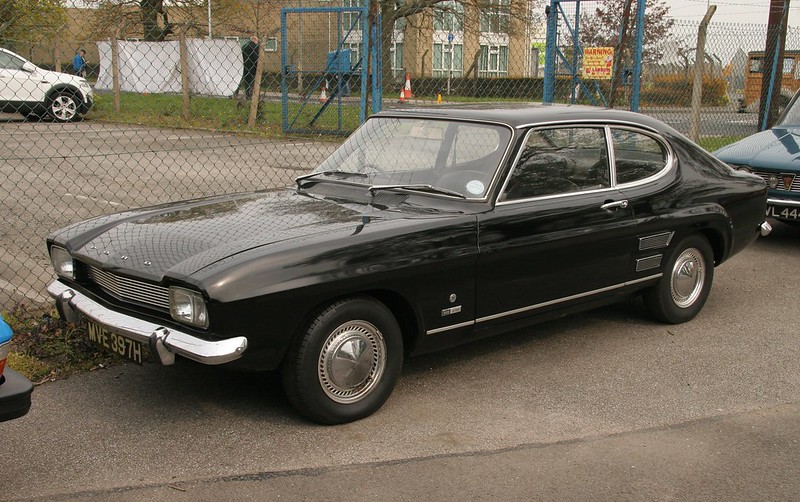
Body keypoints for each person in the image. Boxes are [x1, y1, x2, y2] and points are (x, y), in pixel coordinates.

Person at [240, 35, 260, 99]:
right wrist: (257, 66)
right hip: (252, 67)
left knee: (243, 80)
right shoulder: (255, 47)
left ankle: (235, 93)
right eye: (257, 40)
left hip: (244, 66)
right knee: (251, 81)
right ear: (255, 40)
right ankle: (249, 95)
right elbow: (255, 57)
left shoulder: (244, 46)